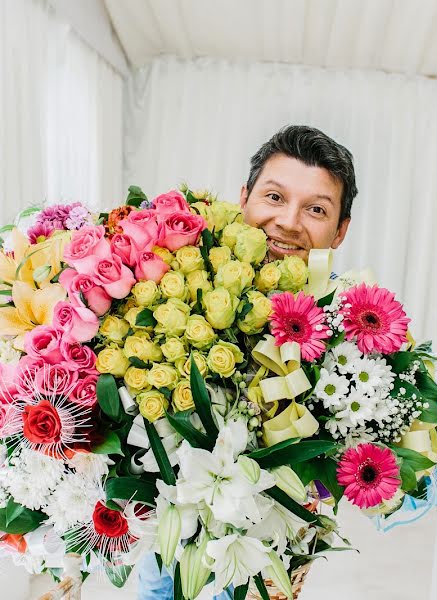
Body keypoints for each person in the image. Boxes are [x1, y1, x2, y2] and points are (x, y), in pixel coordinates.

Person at [136, 124, 358, 599]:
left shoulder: (351, 327)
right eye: (274, 197)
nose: (289, 222)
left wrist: (309, 513)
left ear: (340, 231)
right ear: (244, 198)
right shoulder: (183, 279)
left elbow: (339, 457)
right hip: (170, 523)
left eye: (316, 209)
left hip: (271, 539)